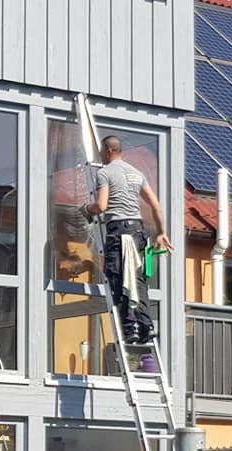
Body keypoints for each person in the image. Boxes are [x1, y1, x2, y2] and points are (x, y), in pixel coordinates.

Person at [80, 135, 172, 344]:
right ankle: (146, 326)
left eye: (102, 152)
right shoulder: (136, 173)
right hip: (138, 232)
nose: (100, 156)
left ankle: (130, 329)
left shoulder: (105, 173)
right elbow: (156, 205)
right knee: (137, 280)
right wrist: (161, 232)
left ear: (108, 151)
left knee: (120, 279)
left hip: (119, 233)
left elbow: (101, 206)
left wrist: (86, 209)